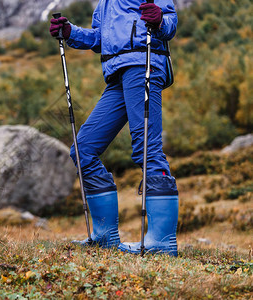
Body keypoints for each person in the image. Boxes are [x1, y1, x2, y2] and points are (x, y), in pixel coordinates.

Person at [49, 1, 179, 256]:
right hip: (117, 74)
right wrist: (70, 33)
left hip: (144, 65)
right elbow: (100, 39)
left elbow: (169, 23)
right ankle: (104, 237)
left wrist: (160, 21)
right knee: (83, 149)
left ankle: (162, 242)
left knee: (146, 150)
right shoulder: (104, 4)